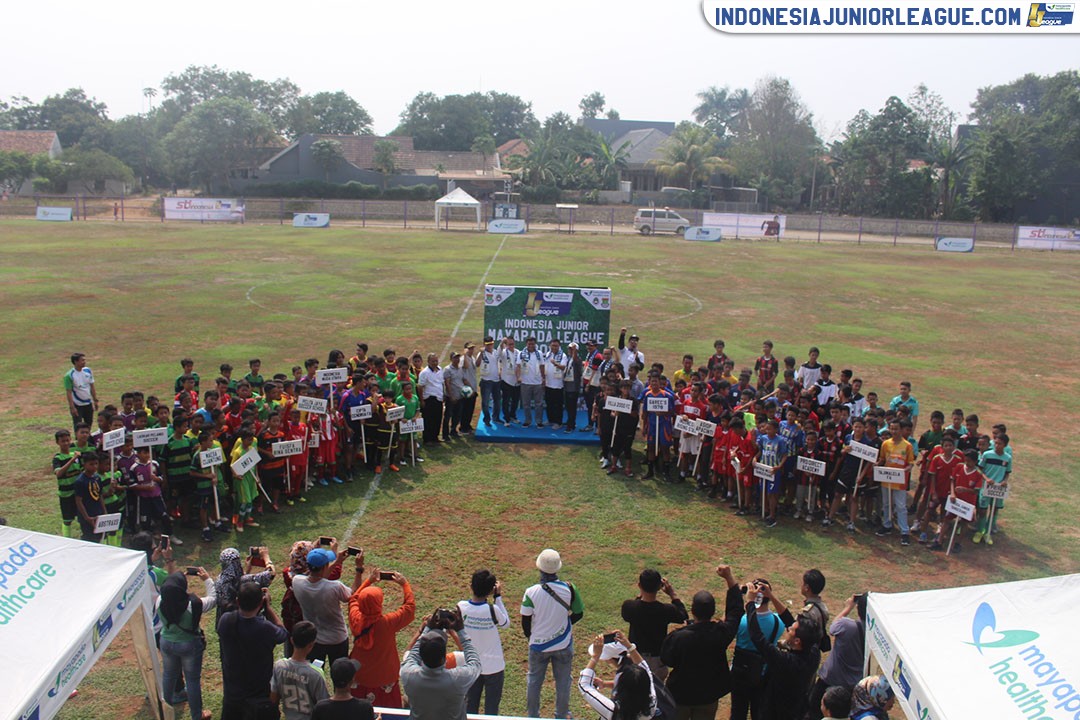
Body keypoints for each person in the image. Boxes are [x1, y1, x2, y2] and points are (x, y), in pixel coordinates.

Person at [659, 564, 743, 720]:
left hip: (680, 696)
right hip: (708, 695)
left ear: (693, 610)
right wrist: (729, 578)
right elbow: (736, 611)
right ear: (712, 612)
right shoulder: (721, 633)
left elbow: (666, 659)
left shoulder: (679, 637)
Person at [521, 548, 584, 718]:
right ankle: (561, 715)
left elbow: (525, 621)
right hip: (563, 644)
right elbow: (579, 613)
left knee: (534, 682)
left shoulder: (531, 592)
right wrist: (565, 624)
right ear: (557, 568)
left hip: (538, 646)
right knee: (563, 682)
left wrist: (532, 636)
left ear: (540, 568)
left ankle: (533, 716)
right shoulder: (569, 588)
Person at [745, 582, 821, 720]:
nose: (789, 628)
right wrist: (771, 596)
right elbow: (789, 620)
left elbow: (758, 638)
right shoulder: (814, 652)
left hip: (775, 712)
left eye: (791, 630)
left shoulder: (786, 661)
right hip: (797, 710)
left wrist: (750, 604)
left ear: (797, 641)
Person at [218, 581, 290, 720]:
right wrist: (268, 609)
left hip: (232, 694)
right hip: (258, 696)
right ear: (260, 604)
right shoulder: (264, 628)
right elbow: (282, 633)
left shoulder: (226, 620)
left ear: (238, 601)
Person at [347, 566, 416, 707]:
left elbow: (353, 598)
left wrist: (369, 581)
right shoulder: (388, 623)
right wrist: (404, 584)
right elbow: (409, 608)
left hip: (360, 675)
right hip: (385, 677)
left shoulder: (355, 618)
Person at [399, 609, 482, 720]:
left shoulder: (408, 675)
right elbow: (475, 663)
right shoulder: (457, 679)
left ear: (422, 657)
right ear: (444, 658)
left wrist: (427, 629)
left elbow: (412, 655)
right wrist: (460, 631)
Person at [291, 543, 365, 667]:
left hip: (314, 639)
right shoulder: (334, 587)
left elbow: (318, 578)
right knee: (339, 675)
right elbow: (352, 595)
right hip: (337, 639)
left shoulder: (297, 581)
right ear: (325, 565)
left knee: (315, 672)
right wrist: (359, 569)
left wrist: (337, 562)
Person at [159, 570, 217, 720]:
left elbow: (169, 590)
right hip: (188, 645)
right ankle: (197, 716)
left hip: (166, 642)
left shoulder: (160, 600)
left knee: (168, 675)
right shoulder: (193, 604)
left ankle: (166, 711)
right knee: (192, 681)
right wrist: (207, 579)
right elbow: (213, 599)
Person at [457, 569, 510, 715]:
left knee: (470, 708)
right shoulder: (493, 610)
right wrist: (498, 597)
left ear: (471, 586)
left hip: (472, 664)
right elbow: (506, 623)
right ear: (490, 591)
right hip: (494, 666)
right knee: (492, 711)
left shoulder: (461, 607)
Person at [620, 568, 688, 680]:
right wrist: (672, 594)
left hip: (635, 656)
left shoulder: (630, 607)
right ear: (659, 587)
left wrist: (640, 594)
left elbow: (630, 610)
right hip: (657, 661)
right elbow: (683, 616)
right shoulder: (666, 610)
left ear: (639, 585)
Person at [807, 593, 866, 720]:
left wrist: (847, 608)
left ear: (858, 608)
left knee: (814, 710)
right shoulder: (874, 634)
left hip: (830, 678)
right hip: (851, 685)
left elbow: (833, 627)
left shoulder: (846, 626)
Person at [578, 630, 657, 720]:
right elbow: (646, 670)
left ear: (620, 687)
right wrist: (629, 647)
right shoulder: (651, 704)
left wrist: (595, 656)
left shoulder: (612, 710)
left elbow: (584, 685)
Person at [271, 621, 331, 720]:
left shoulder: (279, 666)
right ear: (311, 645)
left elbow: (273, 698)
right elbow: (324, 707)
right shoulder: (316, 673)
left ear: (291, 640)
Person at [875, 419, 916, 546]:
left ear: (901, 429)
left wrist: (905, 471)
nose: (894, 431)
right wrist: (876, 465)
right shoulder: (885, 444)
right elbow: (882, 459)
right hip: (886, 479)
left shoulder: (907, 445)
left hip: (900, 481)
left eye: (896, 429)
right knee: (887, 503)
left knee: (900, 506)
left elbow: (910, 464)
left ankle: (904, 532)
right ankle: (887, 525)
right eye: (891, 429)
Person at [73, 451, 112, 542]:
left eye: (96, 464)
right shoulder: (80, 481)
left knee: (101, 537)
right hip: (87, 515)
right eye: (91, 464)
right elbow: (79, 501)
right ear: (84, 464)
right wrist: (87, 517)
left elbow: (99, 495)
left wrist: (104, 511)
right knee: (89, 538)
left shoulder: (97, 477)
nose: (94, 466)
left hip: (98, 512)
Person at [64, 352, 99, 429]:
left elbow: (92, 386)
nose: (84, 362)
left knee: (89, 424)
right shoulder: (69, 375)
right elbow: (68, 392)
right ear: (76, 362)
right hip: (77, 405)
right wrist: (72, 407)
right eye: (82, 360)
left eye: (84, 360)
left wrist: (95, 400)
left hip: (88, 403)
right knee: (78, 426)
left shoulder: (88, 371)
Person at [518, 336, 546, 428]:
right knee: (526, 404)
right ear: (526, 344)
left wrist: (543, 378)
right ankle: (527, 420)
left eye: (532, 344)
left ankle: (539, 421)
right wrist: (518, 377)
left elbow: (542, 366)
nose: (531, 345)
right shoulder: (521, 354)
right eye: (529, 343)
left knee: (539, 404)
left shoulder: (539, 353)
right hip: (525, 383)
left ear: (535, 344)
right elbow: (518, 366)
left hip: (537, 383)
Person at [418, 353, 445, 445]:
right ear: (428, 361)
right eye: (433, 361)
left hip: (439, 398)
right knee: (428, 420)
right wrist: (421, 400)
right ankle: (427, 439)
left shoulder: (440, 370)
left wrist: (443, 394)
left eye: (436, 361)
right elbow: (420, 387)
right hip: (429, 398)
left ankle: (435, 437)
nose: (435, 363)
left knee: (437, 419)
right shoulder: (424, 373)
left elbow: (441, 383)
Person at [478, 336, 502, 426]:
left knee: (497, 401)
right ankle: (487, 419)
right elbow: (477, 364)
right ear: (484, 344)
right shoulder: (482, 353)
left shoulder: (495, 352)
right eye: (487, 345)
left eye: (491, 344)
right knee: (485, 402)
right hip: (486, 381)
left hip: (496, 380)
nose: (490, 346)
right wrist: (480, 353)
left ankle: (496, 417)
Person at [499, 336, 521, 425]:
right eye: (509, 344)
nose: (511, 346)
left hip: (516, 381)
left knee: (515, 401)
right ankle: (506, 419)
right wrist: (501, 343)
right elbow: (498, 352)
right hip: (506, 380)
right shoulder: (503, 352)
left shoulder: (518, 352)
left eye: (512, 344)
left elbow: (520, 365)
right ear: (506, 344)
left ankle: (512, 416)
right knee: (506, 401)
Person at [562, 342, 584, 433]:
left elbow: (575, 360)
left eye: (572, 349)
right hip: (567, 385)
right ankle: (570, 421)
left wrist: (575, 351)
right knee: (568, 406)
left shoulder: (577, 359)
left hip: (574, 387)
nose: (570, 351)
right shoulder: (568, 359)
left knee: (572, 406)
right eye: (569, 349)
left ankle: (571, 425)